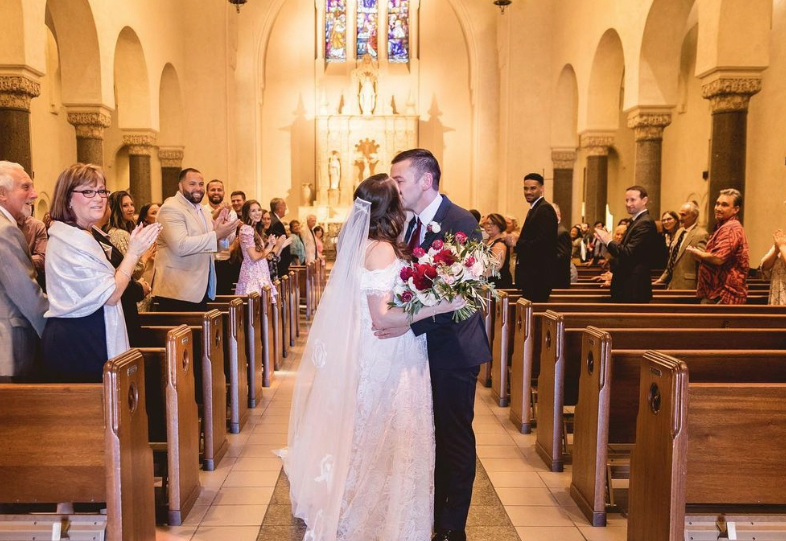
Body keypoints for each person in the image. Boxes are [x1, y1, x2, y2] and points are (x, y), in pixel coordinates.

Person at [282, 174, 463, 541]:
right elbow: (381, 317)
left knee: (383, 434)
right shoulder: (380, 249)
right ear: (390, 207)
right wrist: (440, 305)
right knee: (388, 433)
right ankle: (377, 518)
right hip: (388, 352)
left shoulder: (372, 244)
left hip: (389, 348)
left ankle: (386, 512)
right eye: (398, 195)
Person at [383, 148, 491, 541]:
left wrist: (405, 323)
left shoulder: (460, 222)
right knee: (426, 433)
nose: (394, 187)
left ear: (425, 181)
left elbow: (466, 294)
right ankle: (428, 508)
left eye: (399, 179)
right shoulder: (408, 223)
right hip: (419, 350)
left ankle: (452, 526)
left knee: (453, 437)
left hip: (453, 351)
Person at [41, 164, 160, 382]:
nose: (99, 198)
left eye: (102, 191)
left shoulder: (85, 234)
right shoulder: (69, 241)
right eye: (88, 191)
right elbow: (111, 294)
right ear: (67, 198)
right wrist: (134, 252)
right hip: (79, 338)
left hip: (89, 331)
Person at [153, 167, 238, 312]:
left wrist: (222, 235)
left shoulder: (203, 210)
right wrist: (216, 234)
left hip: (200, 287)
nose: (198, 188)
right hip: (177, 291)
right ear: (180, 186)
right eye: (192, 184)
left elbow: (211, 246)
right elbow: (180, 246)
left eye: (200, 184)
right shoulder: (171, 209)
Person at [0, 161, 48, 381]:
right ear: (2, 193)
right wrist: (57, 331)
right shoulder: (5, 230)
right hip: (9, 350)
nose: (35, 194)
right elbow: (28, 296)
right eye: (25, 187)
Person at [92, 200, 149, 342]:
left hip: (123, 302)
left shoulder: (102, 236)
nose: (130, 208)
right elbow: (118, 273)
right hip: (120, 301)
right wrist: (139, 288)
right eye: (125, 205)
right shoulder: (103, 237)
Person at [594, 185, 661, 303]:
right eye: (626, 200)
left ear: (644, 200)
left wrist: (608, 240)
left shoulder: (644, 223)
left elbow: (628, 253)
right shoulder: (636, 221)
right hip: (628, 284)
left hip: (633, 286)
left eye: (633, 200)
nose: (628, 203)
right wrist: (606, 241)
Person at [688, 189, 749, 304]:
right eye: (717, 203)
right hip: (715, 292)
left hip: (722, 295)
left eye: (724, 205)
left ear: (736, 209)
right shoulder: (723, 226)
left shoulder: (731, 228)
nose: (718, 208)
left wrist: (699, 254)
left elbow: (718, 258)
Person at [513, 173, 558, 302]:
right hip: (533, 275)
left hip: (538, 276)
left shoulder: (544, 210)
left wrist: (517, 242)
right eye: (525, 188)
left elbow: (543, 244)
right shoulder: (535, 209)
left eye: (533, 188)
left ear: (542, 188)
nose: (528, 192)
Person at [235, 200, 290, 300]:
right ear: (247, 213)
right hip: (252, 273)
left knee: (264, 307)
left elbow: (258, 252)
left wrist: (269, 243)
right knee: (256, 307)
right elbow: (254, 256)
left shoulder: (253, 228)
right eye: (253, 211)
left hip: (260, 270)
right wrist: (269, 247)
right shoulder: (247, 229)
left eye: (259, 209)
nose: (257, 213)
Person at [654, 201, 708, 290]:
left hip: (688, 285)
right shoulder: (679, 232)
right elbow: (672, 260)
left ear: (694, 216)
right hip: (671, 283)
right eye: (680, 214)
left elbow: (702, 264)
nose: (680, 218)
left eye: (684, 215)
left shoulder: (701, 234)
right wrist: (662, 278)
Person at [203, 179, 238, 295]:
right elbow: (203, 235)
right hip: (206, 262)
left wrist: (220, 233)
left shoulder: (232, 213)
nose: (216, 192)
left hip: (224, 261)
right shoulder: (202, 211)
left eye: (219, 190)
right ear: (207, 192)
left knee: (224, 296)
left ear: (223, 192)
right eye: (213, 190)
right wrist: (217, 214)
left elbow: (230, 239)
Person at [483, 213, 513, 289]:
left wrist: (478, 277)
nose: (488, 226)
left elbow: (495, 268)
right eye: (487, 223)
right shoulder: (489, 240)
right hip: (489, 281)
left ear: (500, 225)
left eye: (492, 224)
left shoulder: (500, 244)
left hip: (498, 283)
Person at [761, 227, 786, 305]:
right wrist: (776, 250)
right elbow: (765, 267)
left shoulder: (782, 244)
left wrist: (782, 247)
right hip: (777, 294)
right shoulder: (782, 242)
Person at [268, 197, 292, 275]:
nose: (286, 208)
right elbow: (279, 243)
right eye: (285, 207)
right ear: (280, 208)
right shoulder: (276, 222)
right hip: (278, 261)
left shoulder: (273, 218)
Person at [553, 203, 573, 289]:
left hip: (558, 280)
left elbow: (563, 257)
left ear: (558, 215)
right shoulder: (554, 229)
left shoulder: (561, 232)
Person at [260, 209, 282, 280]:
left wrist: (280, 247)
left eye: (268, 219)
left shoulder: (268, 235)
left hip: (271, 272)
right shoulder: (258, 237)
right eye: (264, 219)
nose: (267, 221)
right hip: (262, 273)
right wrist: (278, 246)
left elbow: (275, 258)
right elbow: (268, 258)